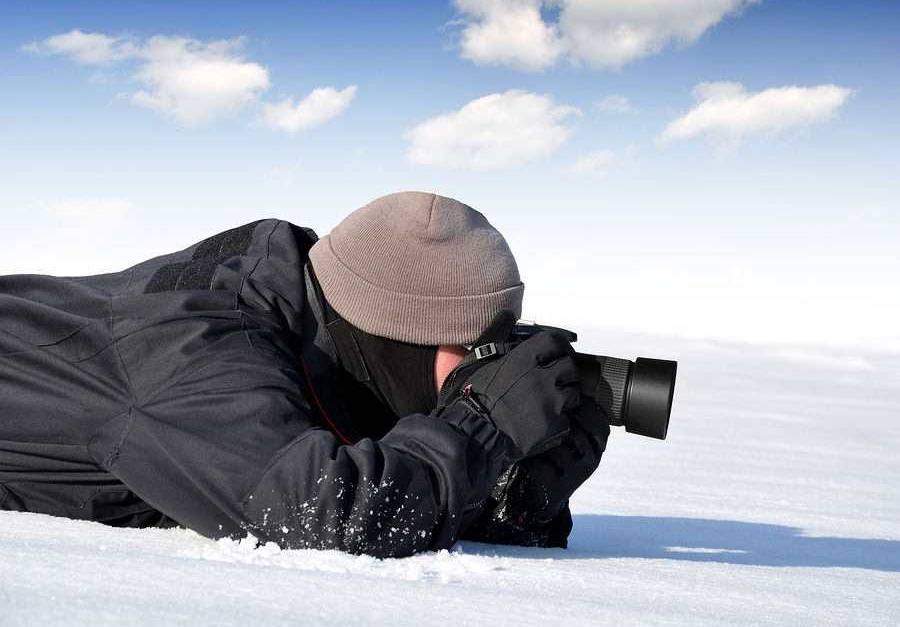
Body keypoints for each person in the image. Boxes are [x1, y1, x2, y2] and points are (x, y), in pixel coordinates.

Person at [0, 191, 609, 558]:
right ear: (394, 337)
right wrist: (480, 427)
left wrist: (515, 495)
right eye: (479, 347)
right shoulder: (197, 354)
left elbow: (370, 486)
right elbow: (320, 517)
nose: (496, 367)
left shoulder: (309, 329)